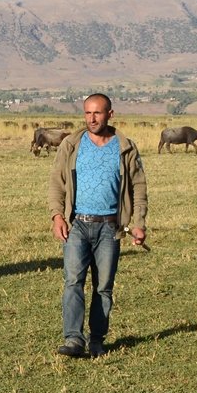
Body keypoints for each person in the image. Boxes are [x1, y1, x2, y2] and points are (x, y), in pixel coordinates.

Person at [47, 93, 148, 358]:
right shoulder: (71, 144)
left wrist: (138, 223)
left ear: (110, 114)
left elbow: (138, 187)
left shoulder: (125, 147)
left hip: (110, 227)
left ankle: (97, 340)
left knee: (103, 286)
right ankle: (73, 339)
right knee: (73, 281)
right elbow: (57, 182)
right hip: (77, 224)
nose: (92, 119)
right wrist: (57, 216)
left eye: (98, 113)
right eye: (88, 113)